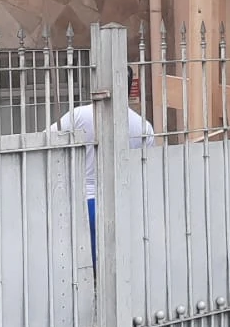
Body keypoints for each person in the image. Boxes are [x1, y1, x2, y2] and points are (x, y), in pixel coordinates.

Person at [48, 68, 155, 267]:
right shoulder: (142, 127)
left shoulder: (80, 115)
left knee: (81, 265)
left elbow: (47, 140)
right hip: (124, 202)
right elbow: (146, 170)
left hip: (82, 200)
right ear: (128, 88)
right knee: (119, 264)